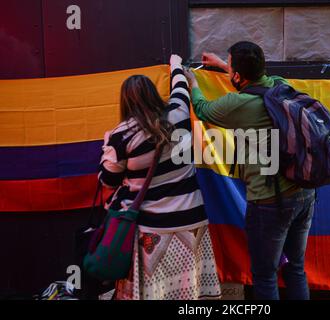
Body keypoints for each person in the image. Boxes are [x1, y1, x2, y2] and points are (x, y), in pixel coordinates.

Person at [184, 41, 316, 300]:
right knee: (296, 269)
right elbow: (252, 80)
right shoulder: (281, 85)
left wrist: (193, 82)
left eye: (229, 64)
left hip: (268, 203)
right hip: (304, 194)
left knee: (265, 275)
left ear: (236, 76)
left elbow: (202, 109)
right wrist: (224, 66)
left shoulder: (238, 103)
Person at [98, 54, 221, 300]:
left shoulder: (121, 136)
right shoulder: (179, 113)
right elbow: (180, 88)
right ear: (154, 94)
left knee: (156, 291)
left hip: (150, 228)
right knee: (188, 289)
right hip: (192, 220)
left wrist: (105, 148)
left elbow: (108, 181)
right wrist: (176, 64)